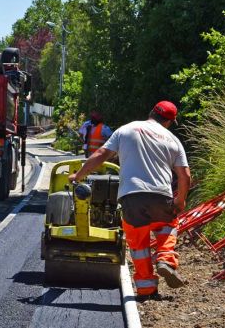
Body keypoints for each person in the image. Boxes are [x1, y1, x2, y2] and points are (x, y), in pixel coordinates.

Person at [68, 101, 191, 299]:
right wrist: (180, 201)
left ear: (151, 112)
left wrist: (79, 175)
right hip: (161, 196)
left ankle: (146, 290)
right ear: (169, 122)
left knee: (139, 245)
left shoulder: (127, 129)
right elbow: (185, 176)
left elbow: (101, 154)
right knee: (167, 225)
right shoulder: (173, 140)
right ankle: (165, 260)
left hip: (131, 198)